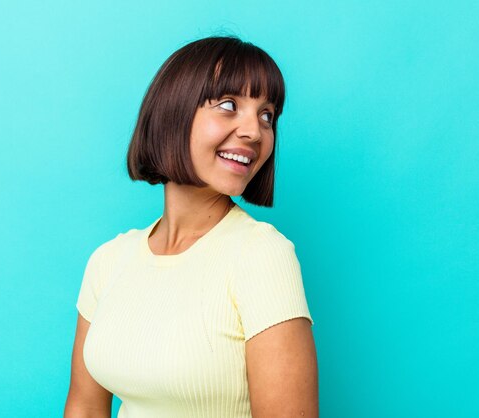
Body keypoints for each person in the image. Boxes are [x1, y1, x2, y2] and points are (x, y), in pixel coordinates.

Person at [64, 35, 318, 418]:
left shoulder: (262, 256)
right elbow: (84, 407)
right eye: (229, 105)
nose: (255, 132)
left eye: (267, 116)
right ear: (173, 113)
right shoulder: (109, 260)